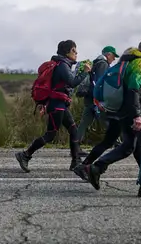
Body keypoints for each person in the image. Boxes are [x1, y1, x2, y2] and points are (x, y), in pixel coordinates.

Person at [73, 38, 141, 198]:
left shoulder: (128, 61)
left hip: (119, 109)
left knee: (129, 146)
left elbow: (128, 86)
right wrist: (137, 115)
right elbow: (133, 89)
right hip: (130, 110)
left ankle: (97, 168)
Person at [15, 40, 91, 172]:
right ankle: (25, 155)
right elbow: (72, 82)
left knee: (73, 130)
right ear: (67, 52)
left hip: (59, 104)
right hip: (57, 105)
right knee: (50, 135)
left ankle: (76, 161)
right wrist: (84, 72)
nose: (76, 53)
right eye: (74, 50)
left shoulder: (63, 64)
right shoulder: (62, 65)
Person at [75, 46, 119, 153]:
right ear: (108, 54)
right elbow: (100, 83)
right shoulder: (103, 64)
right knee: (107, 120)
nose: (114, 59)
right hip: (96, 99)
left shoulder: (96, 63)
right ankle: (118, 143)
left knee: (85, 122)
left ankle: (75, 147)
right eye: (113, 56)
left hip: (90, 98)